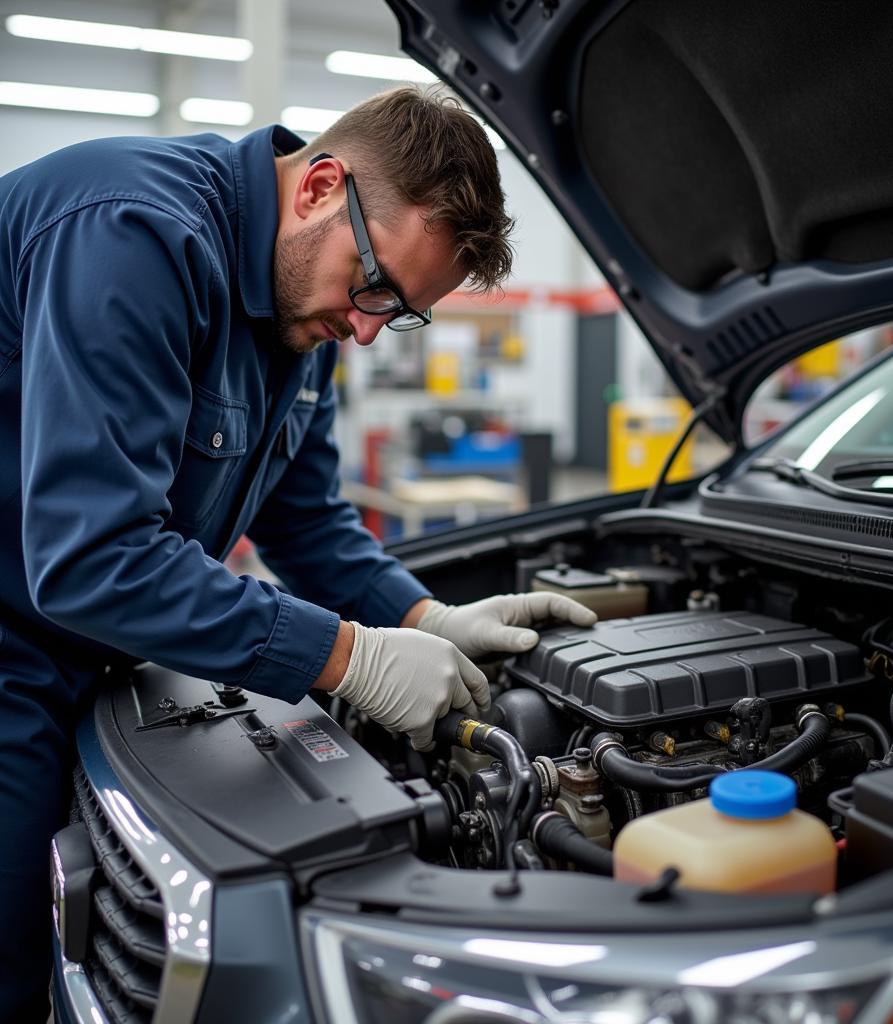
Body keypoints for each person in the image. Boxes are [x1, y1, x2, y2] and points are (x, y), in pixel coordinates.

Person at [0, 86, 596, 1022]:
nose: (364, 330)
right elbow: (95, 558)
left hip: (85, 646)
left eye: (396, 313)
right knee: (14, 964)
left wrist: (423, 617)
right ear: (320, 185)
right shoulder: (132, 234)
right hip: (12, 648)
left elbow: (307, 522)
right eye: (373, 290)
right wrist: (348, 657)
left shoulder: (299, 304)